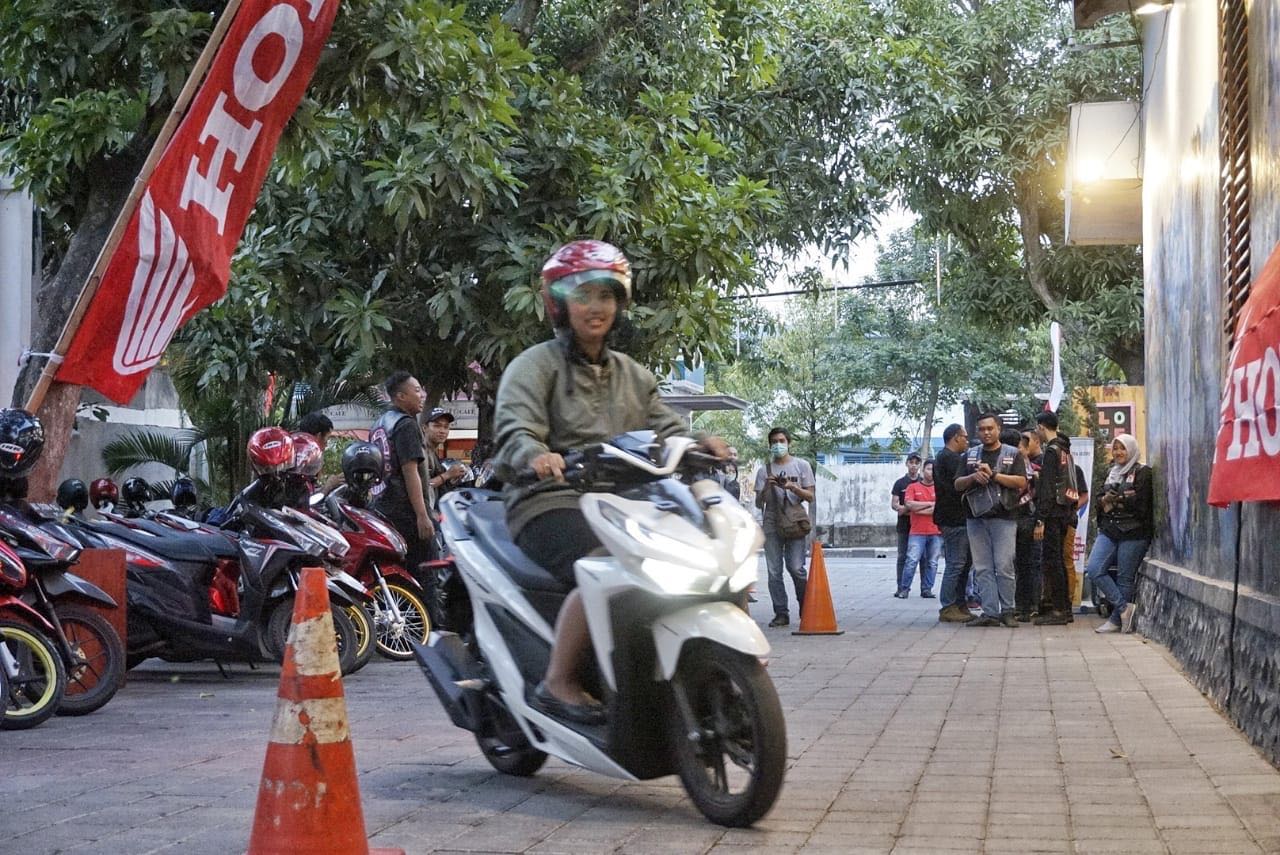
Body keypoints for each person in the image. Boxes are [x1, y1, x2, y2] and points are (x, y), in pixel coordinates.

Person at [492, 239, 727, 724]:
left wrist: (699, 442)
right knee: (609, 563)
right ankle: (558, 681)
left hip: (624, 502)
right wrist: (537, 455)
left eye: (605, 295)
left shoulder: (634, 375)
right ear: (560, 304)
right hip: (548, 499)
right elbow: (516, 429)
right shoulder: (533, 367)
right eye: (583, 296)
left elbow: (667, 428)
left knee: (704, 553)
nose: (595, 307)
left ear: (619, 303)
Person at [956, 413, 1027, 627]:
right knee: (982, 567)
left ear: (998, 429)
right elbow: (957, 484)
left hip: (1004, 516)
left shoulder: (1013, 454)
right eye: (982, 429)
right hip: (976, 517)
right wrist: (972, 477)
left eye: (990, 428)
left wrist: (994, 475)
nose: (986, 433)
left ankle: (1008, 610)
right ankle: (989, 612)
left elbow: (1021, 482)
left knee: (1004, 565)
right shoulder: (969, 455)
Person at [370, 372, 433, 588]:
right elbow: (410, 471)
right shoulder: (405, 424)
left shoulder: (378, 424)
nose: (422, 395)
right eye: (416, 390)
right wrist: (422, 515)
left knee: (399, 578)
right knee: (425, 577)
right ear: (401, 396)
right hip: (406, 514)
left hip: (383, 510)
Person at [1086, 435, 1152, 634]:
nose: (1118, 453)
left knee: (1124, 577)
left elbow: (1142, 503)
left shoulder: (1142, 472)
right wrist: (1105, 500)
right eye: (1115, 449)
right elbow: (1099, 498)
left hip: (1134, 532)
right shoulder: (1111, 472)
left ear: (1131, 450)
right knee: (1094, 569)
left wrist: (1119, 500)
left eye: (1122, 448)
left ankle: (1116, 621)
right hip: (1110, 529)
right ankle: (1124, 608)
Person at [754, 427, 816, 627]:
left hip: (795, 520)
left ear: (789, 443)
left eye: (781, 441)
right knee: (774, 571)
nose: (778, 445)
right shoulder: (764, 470)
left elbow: (810, 496)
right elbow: (758, 503)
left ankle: (806, 608)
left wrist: (792, 486)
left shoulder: (802, 465)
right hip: (771, 521)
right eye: (774, 442)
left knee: (796, 568)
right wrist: (767, 487)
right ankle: (781, 613)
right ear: (769, 445)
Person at [1032, 411, 1078, 626]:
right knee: (1059, 560)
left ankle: (1058, 609)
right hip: (1065, 511)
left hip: (1053, 513)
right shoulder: (1065, 450)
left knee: (1053, 561)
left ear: (1042, 427)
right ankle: (1065, 609)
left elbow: (1048, 488)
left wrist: (1040, 519)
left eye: (1037, 429)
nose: (1037, 433)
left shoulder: (1051, 451)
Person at [932, 424, 973, 622]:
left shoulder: (943, 457)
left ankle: (959, 603)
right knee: (956, 563)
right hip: (954, 518)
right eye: (965, 437)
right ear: (956, 437)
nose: (967, 441)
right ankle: (948, 605)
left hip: (953, 518)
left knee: (963, 564)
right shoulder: (951, 459)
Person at [1014, 429, 1044, 621]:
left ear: (1026, 448)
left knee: (1033, 564)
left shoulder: (1036, 471)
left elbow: (1042, 498)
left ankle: (1034, 605)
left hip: (1032, 521)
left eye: (1019, 447)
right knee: (1019, 565)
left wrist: (1040, 521)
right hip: (1014, 521)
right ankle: (1020, 606)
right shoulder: (1010, 469)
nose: (1016, 451)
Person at [901, 460, 942, 598]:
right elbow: (909, 505)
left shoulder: (940, 488)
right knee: (911, 561)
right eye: (929, 469)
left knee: (932, 563)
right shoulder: (912, 487)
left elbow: (938, 508)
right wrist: (930, 504)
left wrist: (918, 508)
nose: (932, 472)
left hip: (935, 532)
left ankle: (927, 589)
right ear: (923, 471)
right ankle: (904, 589)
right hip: (917, 532)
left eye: (934, 469)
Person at [421, 407, 468, 511]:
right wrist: (447, 475)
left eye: (446, 427)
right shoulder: (422, 452)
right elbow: (423, 486)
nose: (442, 431)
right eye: (437, 426)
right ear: (424, 428)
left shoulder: (433, 452)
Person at [891, 452, 923, 598]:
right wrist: (903, 509)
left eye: (917, 463)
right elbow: (894, 504)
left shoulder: (923, 482)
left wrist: (912, 509)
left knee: (924, 558)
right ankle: (901, 587)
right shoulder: (900, 483)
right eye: (911, 462)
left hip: (920, 525)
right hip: (904, 525)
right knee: (902, 557)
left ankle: (925, 589)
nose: (914, 466)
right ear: (907, 464)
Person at [1065, 461, 1090, 612]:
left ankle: (1068, 600)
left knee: (1066, 558)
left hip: (1067, 520)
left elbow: (1084, 496)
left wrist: (1071, 509)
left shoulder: (1074, 469)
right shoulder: (1046, 466)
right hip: (1047, 520)